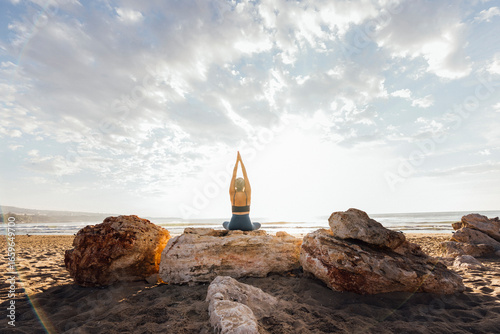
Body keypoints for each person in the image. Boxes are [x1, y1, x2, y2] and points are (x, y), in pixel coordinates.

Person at [223, 152, 261, 231]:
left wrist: (237, 162)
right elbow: (245, 176)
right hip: (247, 225)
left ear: (235, 186)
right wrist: (241, 161)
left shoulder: (232, 193)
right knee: (258, 224)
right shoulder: (247, 193)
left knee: (224, 223)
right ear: (244, 186)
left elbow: (234, 175)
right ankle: (250, 224)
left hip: (233, 224)